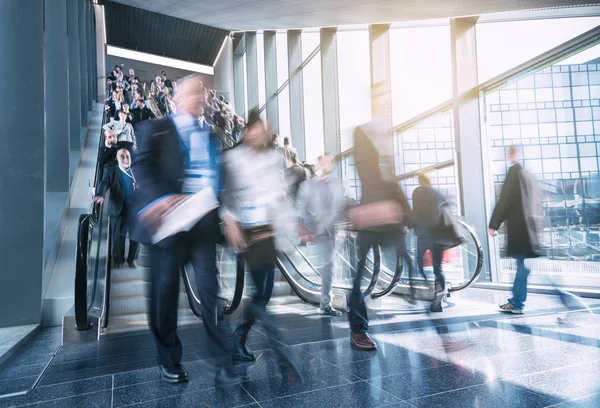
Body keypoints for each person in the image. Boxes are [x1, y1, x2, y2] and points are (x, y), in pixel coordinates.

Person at [133, 73, 237, 386]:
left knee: (209, 292)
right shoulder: (156, 128)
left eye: (202, 92)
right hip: (169, 225)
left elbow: (217, 176)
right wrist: (160, 199)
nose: (200, 97)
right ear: (176, 99)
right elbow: (142, 166)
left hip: (203, 224)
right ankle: (168, 360)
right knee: (165, 296)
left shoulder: (210, 134)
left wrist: (227, 213)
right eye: (193, 93)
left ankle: (223, 359)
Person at [221, 108, 300, 377]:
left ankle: (238, 341)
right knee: (259, 289)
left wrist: (291, 221)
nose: (256, 134)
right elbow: (226, 195)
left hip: (269, 232)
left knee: (263, 294)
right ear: (245, 131)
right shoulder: (233, 158)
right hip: (247, 233)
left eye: (261, 130)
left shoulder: (272, 158)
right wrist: (229, 221)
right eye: (252, 130)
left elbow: (279, 194)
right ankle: (281, 354)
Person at [347, 126, 411, 350]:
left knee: (361, 276)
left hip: (376, 220)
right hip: (375, 220)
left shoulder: (371, 154)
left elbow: (389, 186)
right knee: (360, 276)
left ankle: (358, 328)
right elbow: (388, 185)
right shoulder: (371, 154)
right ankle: (358, 329)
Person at [489, 145, 542, 314]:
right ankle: (516, 302)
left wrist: (493, 223)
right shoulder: (529, 176)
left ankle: (517, 303)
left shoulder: (515, 172)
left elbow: (505, 199)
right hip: (531, 230)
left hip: (520, 230)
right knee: (523, 266)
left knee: (522, 267)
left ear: (513, 155)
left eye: (508, 153)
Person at [296, 153, 346, 316]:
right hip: (319, 230)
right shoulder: (308, 185)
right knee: (328, 265)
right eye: (323, 162)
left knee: (330, 266)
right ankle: (325, 303)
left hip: (335, 229)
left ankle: (327, 301)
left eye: (329, 162)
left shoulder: (337, 183)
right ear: (319, 165)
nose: (327, 164)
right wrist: (308, 225)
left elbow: (341, 205)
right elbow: (300, 208)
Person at [411, 173, 462, 312]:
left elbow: (416, 213)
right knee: (438, 267)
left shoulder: (418, 192)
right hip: (439, 236)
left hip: (424, 234)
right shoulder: (437, 194)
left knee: (419, 263)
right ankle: (438, 298)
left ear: (420, 181)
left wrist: (408, 226)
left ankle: (425, 287)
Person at [93, 148, 140, 268]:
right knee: (118, 237)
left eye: (127, 156)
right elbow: (104, 184)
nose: (125, 159)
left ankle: (132, 259)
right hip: (117, 210)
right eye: (122, 156)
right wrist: (100, 194)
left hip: (134, 210)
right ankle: (118, 260)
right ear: (117, 158)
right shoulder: (111, 171)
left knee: (136, 236)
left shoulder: (136, 173)